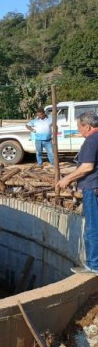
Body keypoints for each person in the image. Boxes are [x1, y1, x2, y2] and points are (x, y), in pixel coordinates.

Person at [56, 111, 98, 274]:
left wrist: (67, 179)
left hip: (93, 189)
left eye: (79, 127)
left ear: (87, 126)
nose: (78, 130)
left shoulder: (91, 141)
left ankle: (94, 265)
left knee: (92, 227)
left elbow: (87, 167)